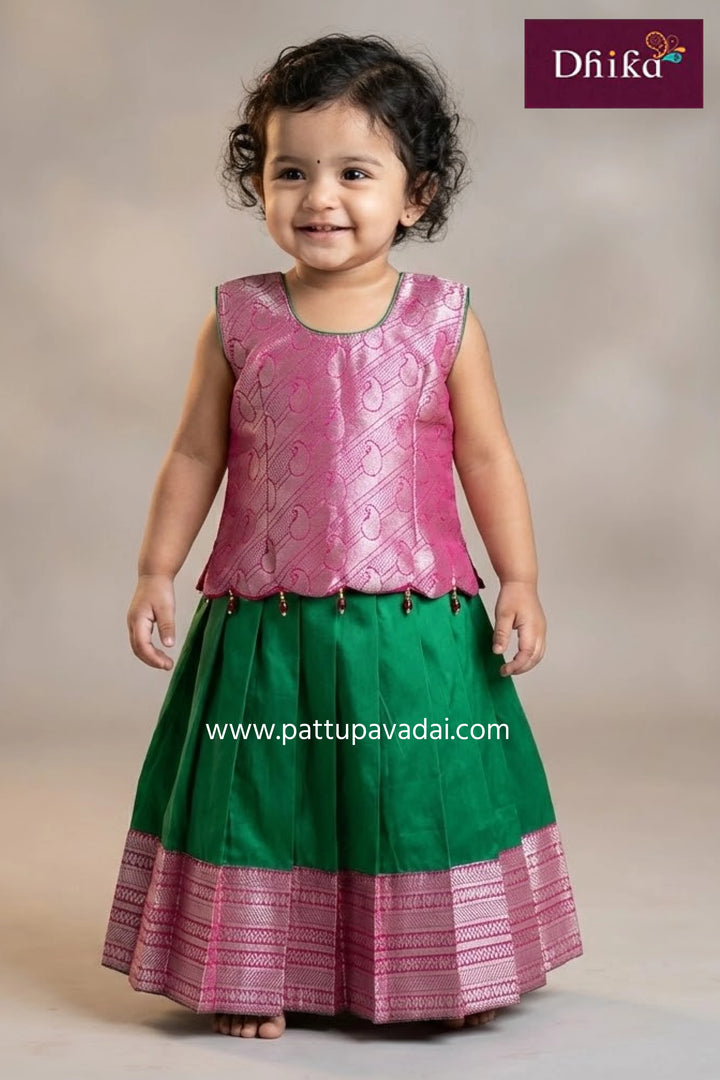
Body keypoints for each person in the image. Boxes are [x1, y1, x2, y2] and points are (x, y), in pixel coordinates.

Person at [101, 32, 583, 1041]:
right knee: (263, 792)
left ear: (417, 195)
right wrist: (157, 568)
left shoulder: (443, 321)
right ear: (259, 184)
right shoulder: (239, 318)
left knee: (415, 789)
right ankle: (250, 967)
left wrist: (521, 580)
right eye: (291, 172)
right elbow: (196, 457)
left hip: (415, 626)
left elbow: (487, 461)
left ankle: (444, 966)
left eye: (354, 172)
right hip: (266, 625)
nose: (320, 197)